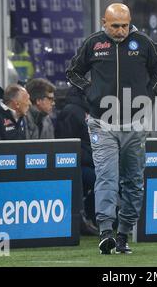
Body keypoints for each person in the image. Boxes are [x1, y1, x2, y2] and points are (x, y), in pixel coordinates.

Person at [66, 3, 157, 254]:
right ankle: (105, 231)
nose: (121, 31)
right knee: (107, 177)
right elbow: (73, 72)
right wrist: (90, 92)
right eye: (115, 26)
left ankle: (123, 234)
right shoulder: (93, 43)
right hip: (102, 123)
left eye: (125, 25)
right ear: (104, 22)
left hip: (135, 124)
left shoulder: (143, 43)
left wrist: (149, 95)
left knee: (133, 181)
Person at [56, 86, 99, 236]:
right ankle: (85, 218)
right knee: (102, 180)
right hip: (77, 166)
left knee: (110, 178)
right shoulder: (72, 111)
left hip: (90, 162)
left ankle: (96, 217)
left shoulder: (88, 110)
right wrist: (92, 158)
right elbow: (68, 146)